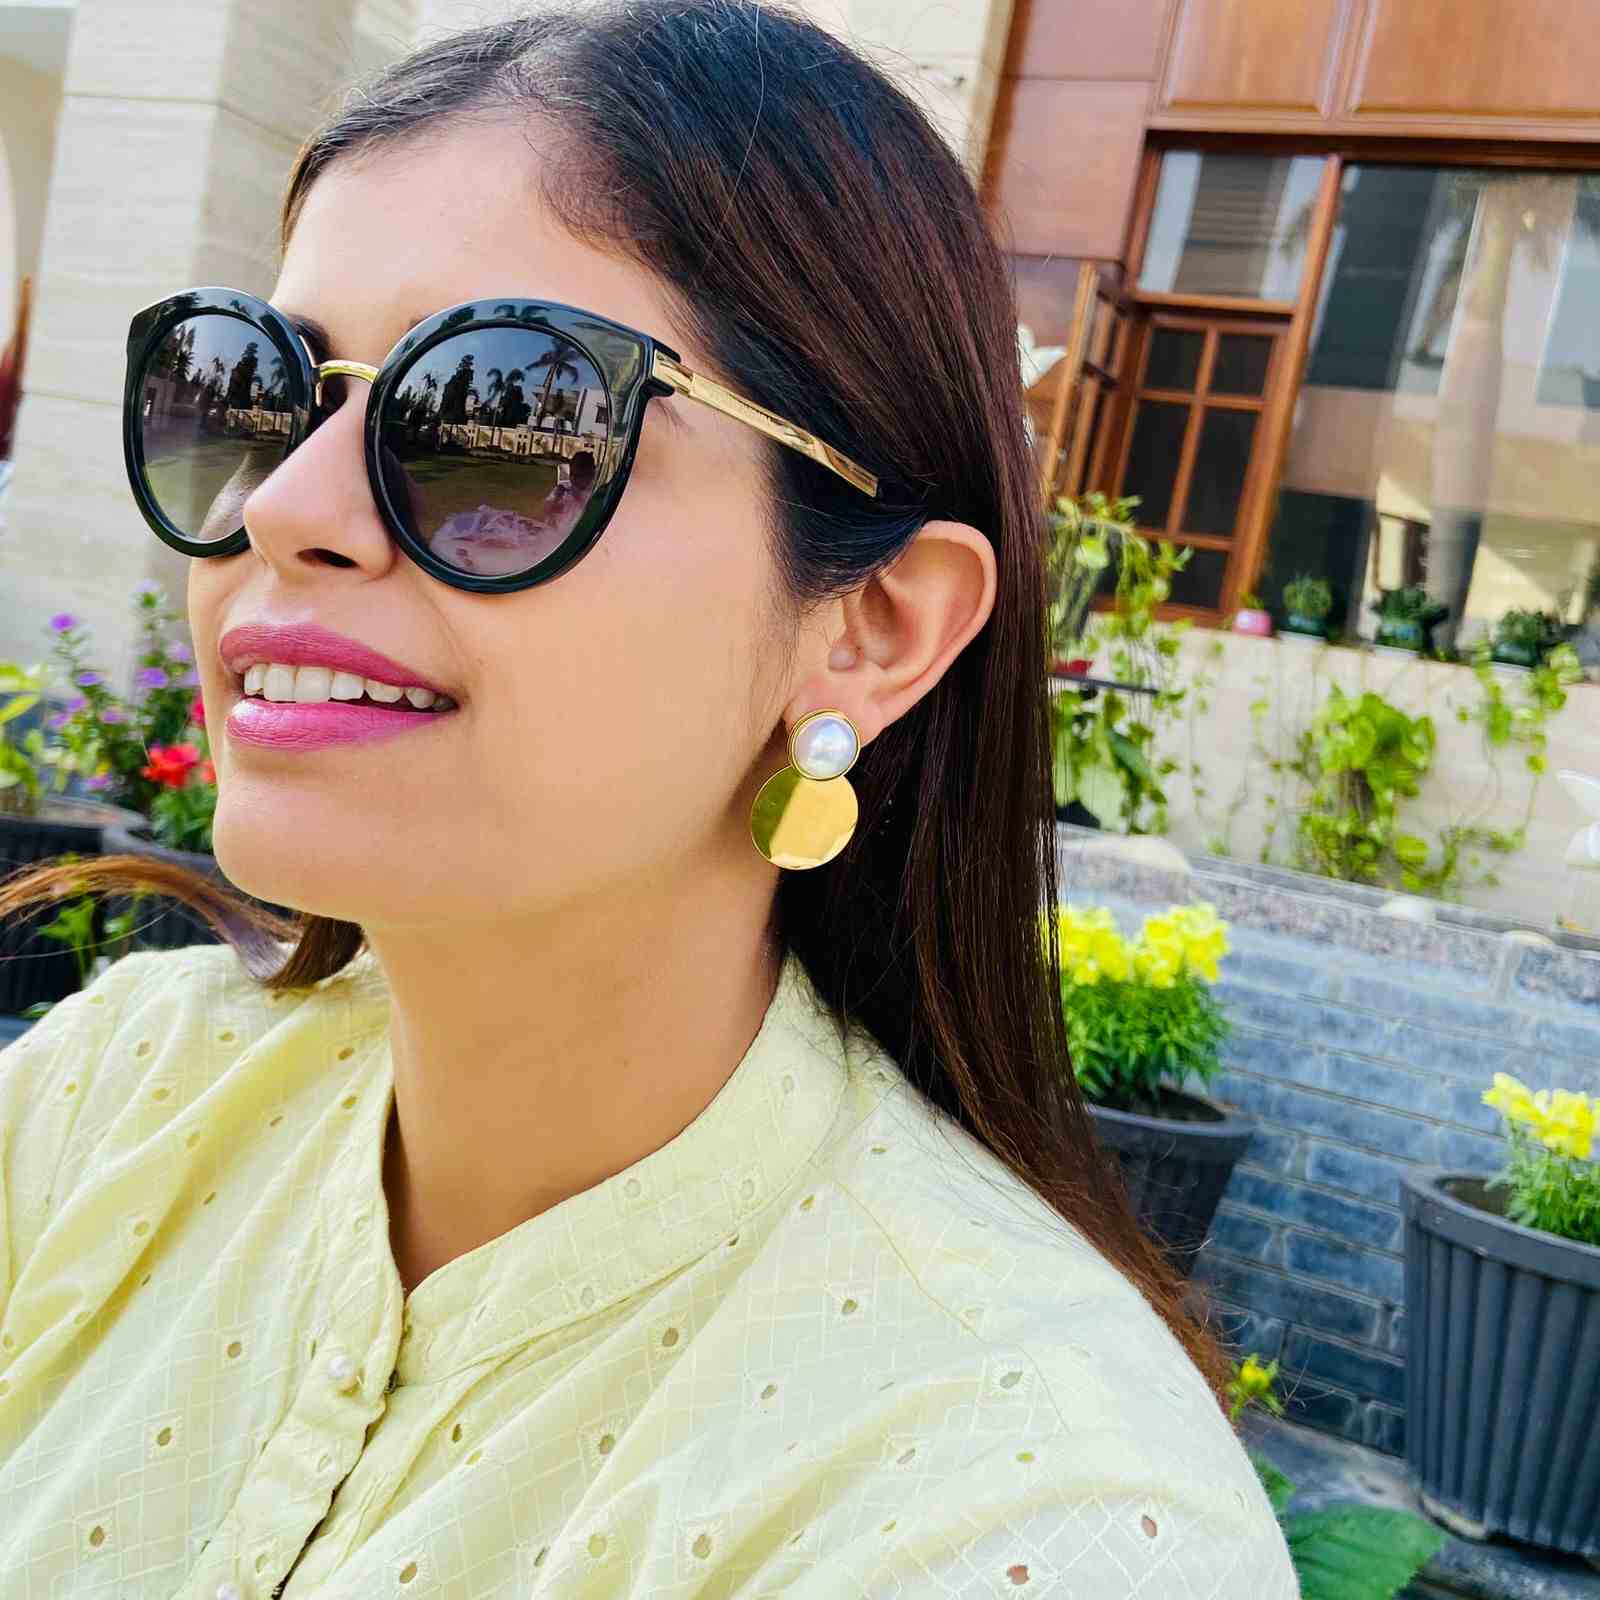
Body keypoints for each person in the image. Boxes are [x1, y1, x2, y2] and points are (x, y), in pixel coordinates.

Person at [0, 2, 1299, 1595]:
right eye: (262, 392)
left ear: (871, 628)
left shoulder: (1024, 1516)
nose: (287, 505)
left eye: (502, 417)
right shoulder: (115, 1101)